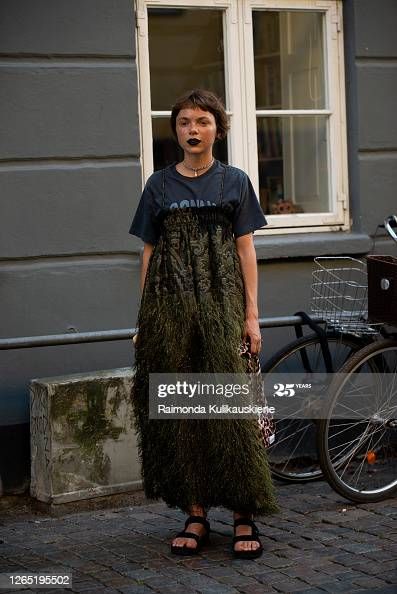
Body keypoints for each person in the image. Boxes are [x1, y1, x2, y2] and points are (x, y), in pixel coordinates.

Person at [129, 89, 279, 559]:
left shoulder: (234, 182)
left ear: (218, 128)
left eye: (203, 121)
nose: (193, 130)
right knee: (185, 412)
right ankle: (195, 513)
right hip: (171, 314)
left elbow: (245, 250)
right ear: (175, 131)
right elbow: (149, 253)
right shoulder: (158, 186)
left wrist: (252, 315)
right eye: (184, 123)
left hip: (224, 311)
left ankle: (242, 512)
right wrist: (144, 319)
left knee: (233, 413)